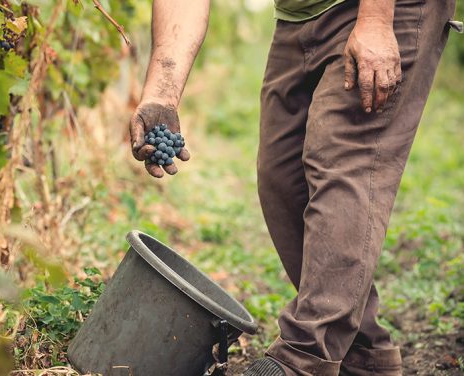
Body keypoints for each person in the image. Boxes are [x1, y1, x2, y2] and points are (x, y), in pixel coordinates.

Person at [129, 0, 460, 375]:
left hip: (385, 9)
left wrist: (375, 19)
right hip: (300, 15)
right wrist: (162, 93)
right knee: (281, 177)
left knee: (343, 161)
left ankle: (305, 358)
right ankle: (363, 357)